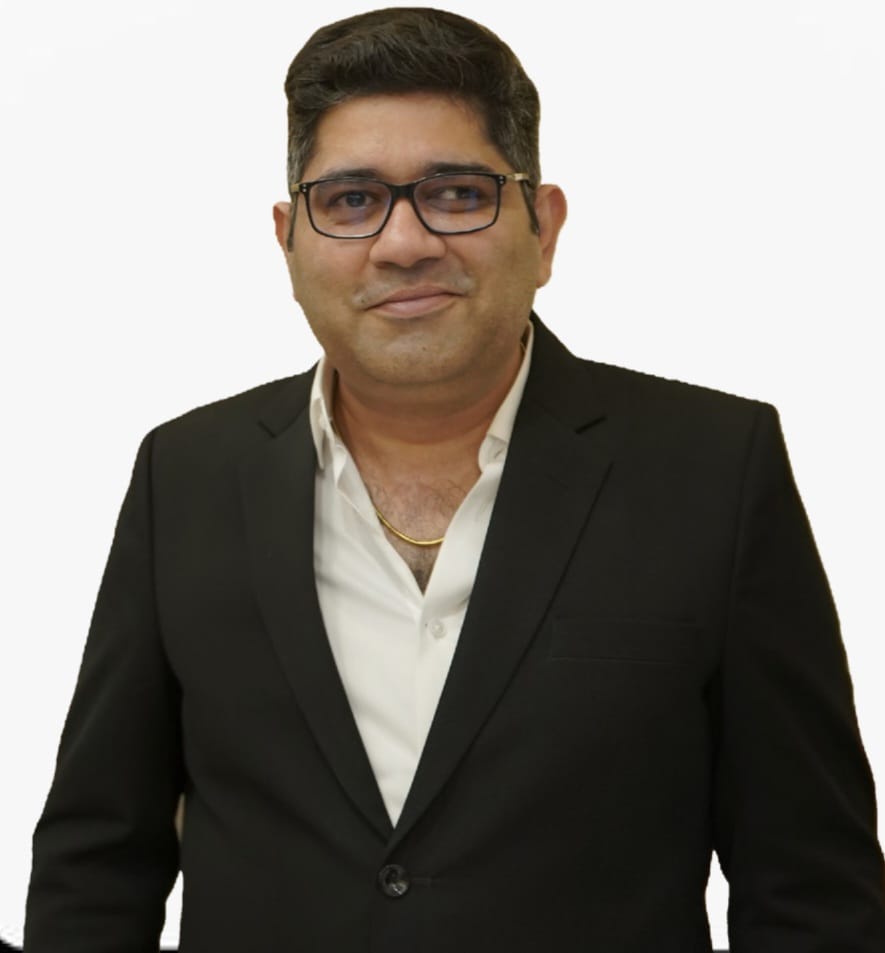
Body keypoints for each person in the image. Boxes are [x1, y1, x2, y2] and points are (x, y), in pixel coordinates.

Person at [23, 7, 885, 952]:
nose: (403, 243)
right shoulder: (185, 474)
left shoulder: (712, 468)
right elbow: (97, 866)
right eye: (351, 200)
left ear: (543, 228)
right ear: (288, 240)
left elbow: (811, 886)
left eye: (458, 193)